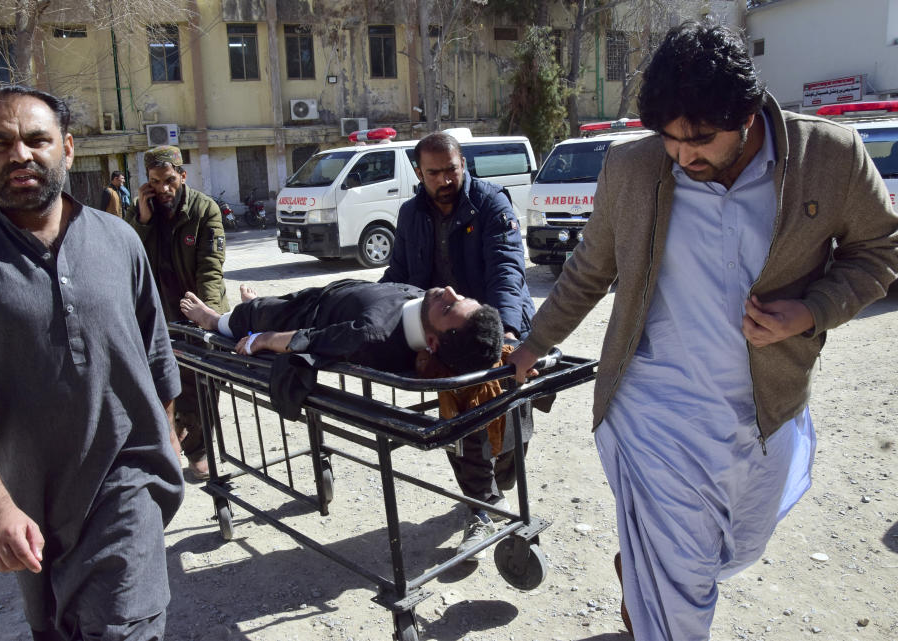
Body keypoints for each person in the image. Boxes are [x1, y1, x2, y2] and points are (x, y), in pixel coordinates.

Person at [508, 22, 898, 641]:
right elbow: (588, 271)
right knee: (684, 583)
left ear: (747, 114)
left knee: (733, 551)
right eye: (669, 140)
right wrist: (532, 345)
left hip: (765, 408)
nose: (685, 157)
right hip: (653, 409)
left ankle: (642, 575)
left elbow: (879, 249)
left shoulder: (831, 156)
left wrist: (812, 311)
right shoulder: (630, 169)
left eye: (701, 140)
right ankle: (657, 590)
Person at [0, 86, 184, 641]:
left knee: (122, 627)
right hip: (32, 501)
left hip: (129, 481)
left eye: (36, 139)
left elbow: (154, 350)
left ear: (67, 149)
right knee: (57, 628)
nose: (20, 154)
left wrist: (167, 438)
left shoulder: (120, 241)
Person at [380, 131, 535, 559]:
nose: (445, 179)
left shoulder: (490, 204)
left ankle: (500, 476)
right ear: (419, 172)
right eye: (435, 172)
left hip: (493, 329)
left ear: (462, 163)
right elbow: (398, 275)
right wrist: (377, 314)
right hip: (444, 335)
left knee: (509, 432)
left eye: (452, 169)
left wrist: (503, 334)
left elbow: (507, 270)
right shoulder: (410, 213)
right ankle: (480, 506)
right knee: (460, 425)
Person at [124, 145, 229, 480]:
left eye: (169, 180)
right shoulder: (146, 212)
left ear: (182, 176)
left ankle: (198, 448)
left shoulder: (204, 210)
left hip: (199, 309)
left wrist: (206, 315)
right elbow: (130, 257)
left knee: (204, 383)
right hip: (161, 314)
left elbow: (211, 269)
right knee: (169, 384)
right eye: (155, 182)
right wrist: (142, 219)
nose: (163, 188)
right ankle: (186, 446)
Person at [179, 280, 503, 375]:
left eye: (448, 306)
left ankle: (215, 318)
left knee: (257, 314)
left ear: (432, 342)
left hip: (308, 315)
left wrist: (263, 339)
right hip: (332, 294)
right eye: (461, 295)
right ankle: (255, 303)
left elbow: (311, 339)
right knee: (267, 303)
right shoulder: (431, 308)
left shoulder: (371, 335)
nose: (448, 291)